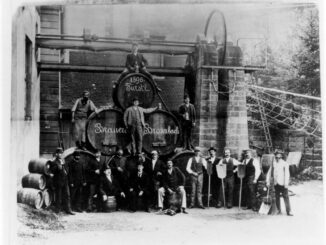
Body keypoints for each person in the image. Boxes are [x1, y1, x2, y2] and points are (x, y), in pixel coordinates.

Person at [266, 151, 293, 216]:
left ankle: (288, 211)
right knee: (277, 197)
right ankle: (278, 210)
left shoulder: (285, 164)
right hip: (276, 183)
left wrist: (286, 183)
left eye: (279, 158)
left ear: (281, 158)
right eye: (276, 157)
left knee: (285, 197)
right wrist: (267, 181)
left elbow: (287, 174)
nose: (277, 159)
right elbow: (269, 173)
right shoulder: (273, 164)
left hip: (283, 183)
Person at [49, 147, 74, 215]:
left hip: (65, 180)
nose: (60, 154)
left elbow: (67, 169)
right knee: (58, 196)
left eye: (61, 153)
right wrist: (58, 167)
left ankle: (68, 210)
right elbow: (52, 171)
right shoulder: (54, 162)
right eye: (59, 153)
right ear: (56, 154)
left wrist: (65, 168)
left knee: (67, 195)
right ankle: (58, 210)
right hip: (58, 181)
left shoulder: (64, 161)